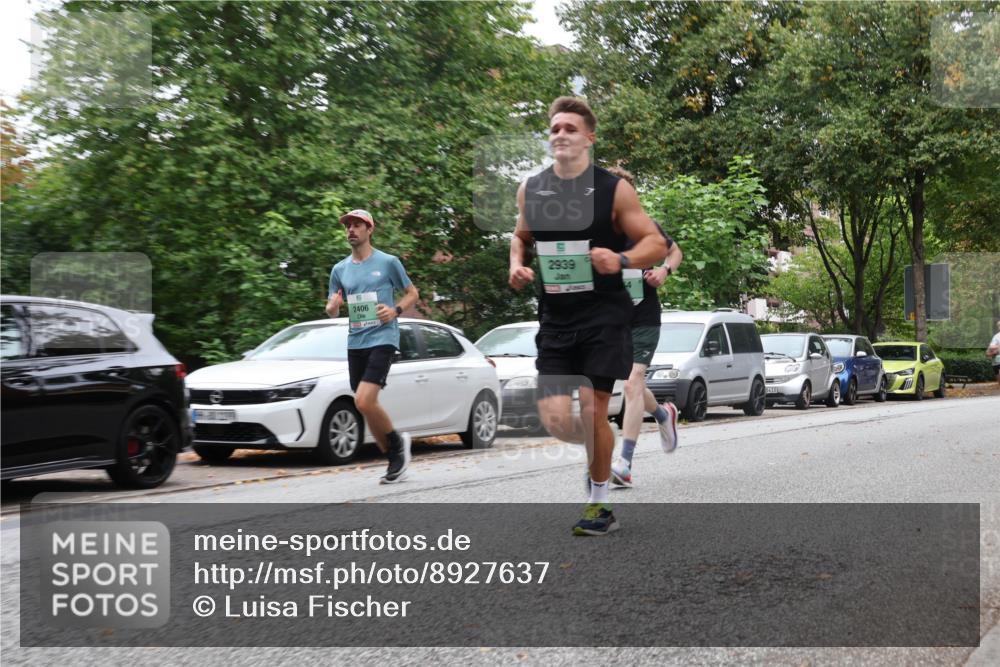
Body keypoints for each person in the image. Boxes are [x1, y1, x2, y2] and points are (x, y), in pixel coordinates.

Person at [509, 96, 668, 536]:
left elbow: (654, 244)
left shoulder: (614, 190)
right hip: (556, 318)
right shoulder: (532, 189)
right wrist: (516, 263)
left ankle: (599, 505)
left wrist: (619, 259)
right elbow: (520, 236)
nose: (560, 134)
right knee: (558, 420)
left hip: (604, 315)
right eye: (555, 128)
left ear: (589, 138)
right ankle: (603, 449)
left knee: (593, 408)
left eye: (570, 129)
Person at [603, 166, 683, 488]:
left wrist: (664, 271)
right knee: (632, 385)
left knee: (634, 383)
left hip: (644, 316)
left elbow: (675, 251)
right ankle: (664, 415)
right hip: (611, 318)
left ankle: (624, 463)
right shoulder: (596, 231)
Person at [326, 209, 420, 483]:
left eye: (357, 225)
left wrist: (395, 311)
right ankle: (394, 454)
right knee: (365, 404)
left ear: (369, 230)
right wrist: (332, 307)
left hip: (383, 338)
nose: (351, 230)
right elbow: (332, 307)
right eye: (348, 226)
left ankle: (397, 451)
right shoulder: (339, 269)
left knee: (364, 400)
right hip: (356, 341)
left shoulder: (388, 262)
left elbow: (412, 293)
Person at [987, 319, 1000, 387]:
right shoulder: (996, 336)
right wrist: (997, 347)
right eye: (999, 326)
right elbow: (991, 347)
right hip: (996, 360)